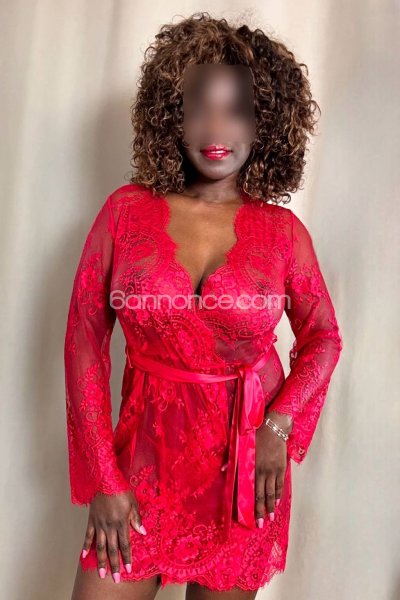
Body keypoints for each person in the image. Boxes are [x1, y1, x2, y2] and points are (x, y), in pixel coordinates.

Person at [64, 12, 343, 600]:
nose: (216, 128)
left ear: (264, 121)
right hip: (140, 469)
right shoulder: (125, 212)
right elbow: (84, 343)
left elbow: (323, 337)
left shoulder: (283, 234)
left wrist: (279, 425)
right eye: (199, 107)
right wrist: (103, 479)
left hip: (244, 474)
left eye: (236, 109)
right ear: (172, 114)